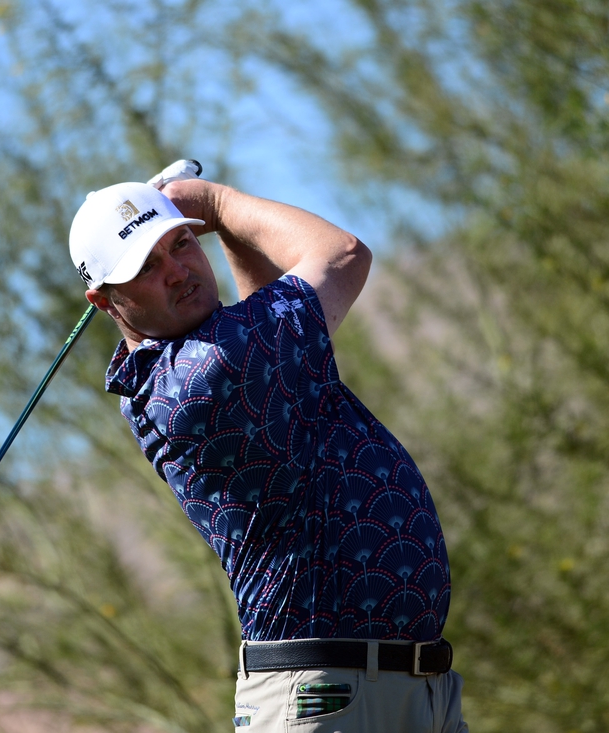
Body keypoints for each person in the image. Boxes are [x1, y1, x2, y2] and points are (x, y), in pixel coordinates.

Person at [69, 161, 467, 732]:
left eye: (181, 244)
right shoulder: (200, 376)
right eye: (146, 267)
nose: (177, 271)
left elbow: (267, 329)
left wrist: (224, 228)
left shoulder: (223, 357)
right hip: (325, 696)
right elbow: (343, 253)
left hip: (406, 690)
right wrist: (217, 204)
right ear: (106, 301)